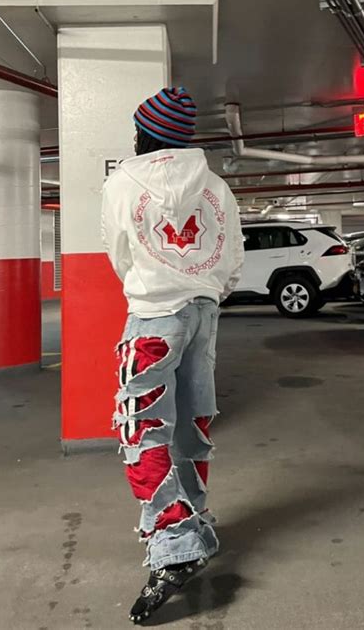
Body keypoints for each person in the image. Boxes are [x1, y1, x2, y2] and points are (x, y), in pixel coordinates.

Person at [101, 86, 244, 624]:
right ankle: (197, 524)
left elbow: (117, 251)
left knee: (141, 428)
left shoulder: (122, 182)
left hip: (154, 317)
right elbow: (232, 253)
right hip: (204, 312)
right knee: (192, 422)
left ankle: (174, 545)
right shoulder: (217, 187)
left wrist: (152, 285)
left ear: (145, 132)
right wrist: (205, 288)